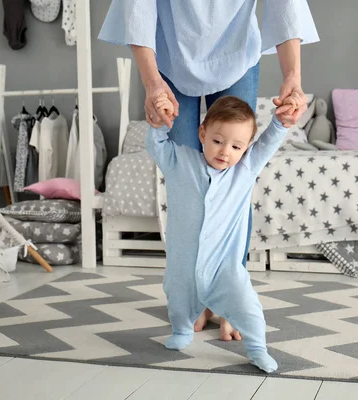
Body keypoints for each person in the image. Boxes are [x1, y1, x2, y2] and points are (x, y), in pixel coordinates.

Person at [99, 0, 319, 341]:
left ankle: (228, 297)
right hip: (169, 55)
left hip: (236, 51)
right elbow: (138, 10)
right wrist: (151, 81)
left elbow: (285, 6)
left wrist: (293, 76)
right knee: (187, 186)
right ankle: (193, 295)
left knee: (234, 182)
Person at [145, 94, 292, 372]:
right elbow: (157, 144)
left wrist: (281, 124)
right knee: (177, 299)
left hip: (225, 267)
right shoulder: (180, 162)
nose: (225, 152)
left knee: (248, 307)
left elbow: (268, 145)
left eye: (237, 146)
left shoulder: (244, 170)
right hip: (184, 264)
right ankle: (182, 331)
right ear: (202, 133)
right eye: (217, 141)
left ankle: (257, 348)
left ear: (247, 148)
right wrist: (158, 124)